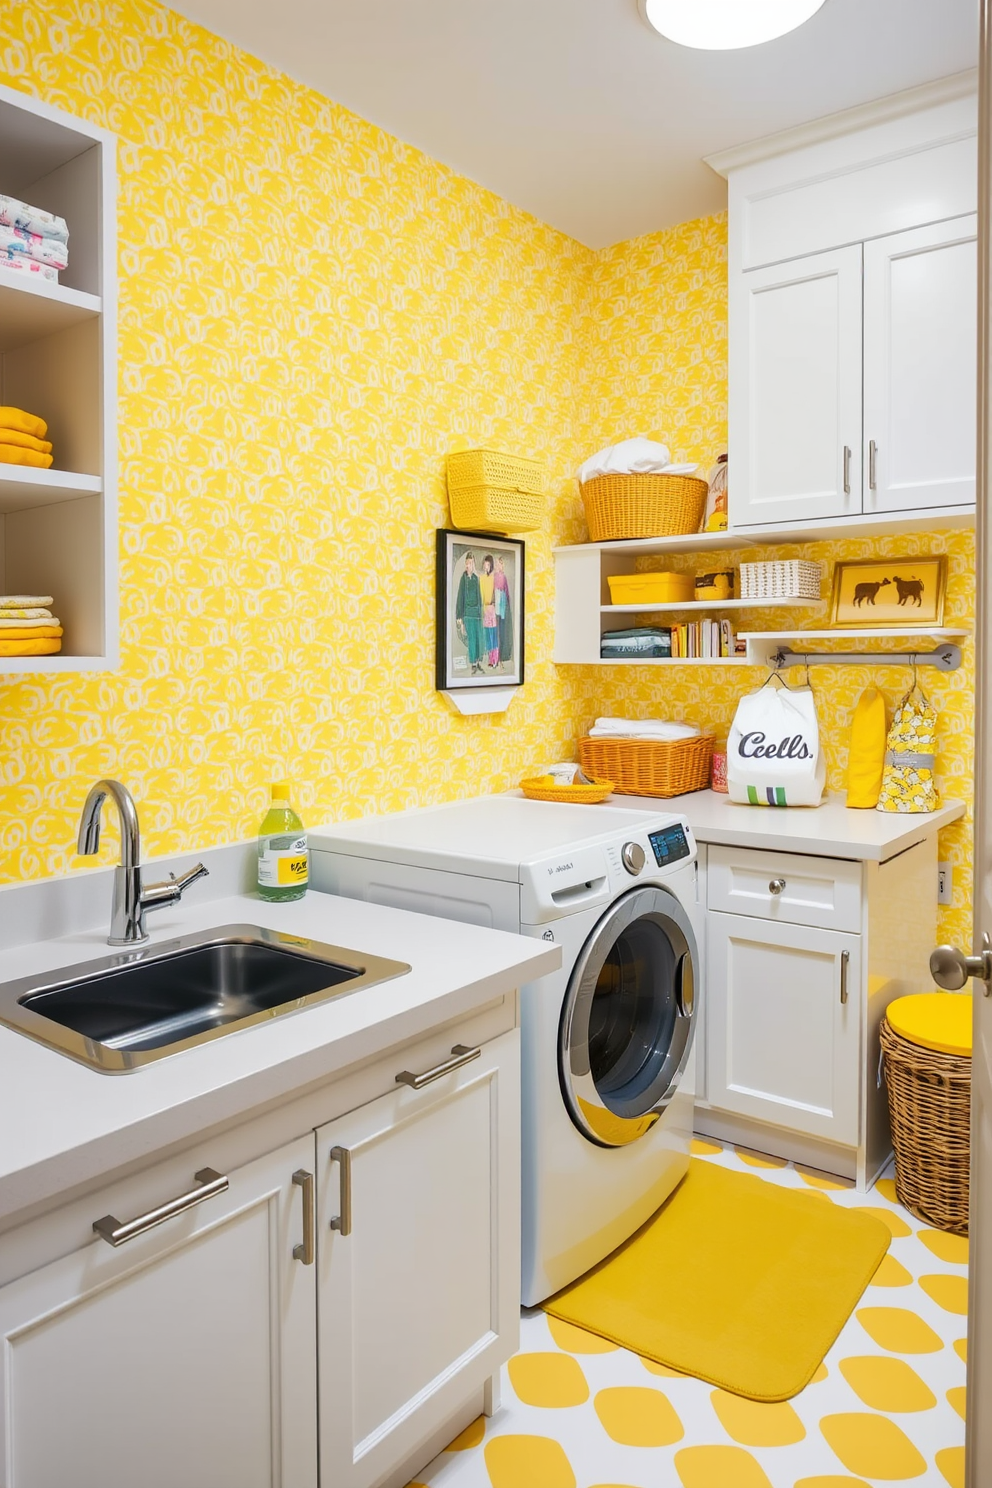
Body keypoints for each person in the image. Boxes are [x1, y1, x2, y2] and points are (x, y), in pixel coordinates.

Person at [454, 551, 484, 674]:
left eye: (470, 563)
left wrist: (480, 614)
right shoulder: (463, 578)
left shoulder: (476, 579)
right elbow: (460, 597)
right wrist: (460, 618)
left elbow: (479, 598)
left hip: (476, 614)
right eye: (466, 563)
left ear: (473, 565)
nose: (468, 566)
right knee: (471, 639)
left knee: (478, 639)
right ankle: (473, 664)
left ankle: (478, 662)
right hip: (467, 614)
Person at [480, 555, 499, 668]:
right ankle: (490, 659)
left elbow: (495, 594)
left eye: (488, 564)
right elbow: (482, 594)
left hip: (492, 609)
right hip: (485, 609)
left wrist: (494, 605)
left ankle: (495, 658)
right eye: (485, 564)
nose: (485, 566)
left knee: (493, 634)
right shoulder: (482, 578)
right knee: (487, 635)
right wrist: (483, 608)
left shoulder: (493, 578)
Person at [494, 553, 513, 668]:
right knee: (496, 632)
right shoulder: (494, 577)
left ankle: (502, 656)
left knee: (503, 632)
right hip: (496, 606)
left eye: (499, 563)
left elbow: (506, 593)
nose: (498, 565)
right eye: (496, 563)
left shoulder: (503, 577)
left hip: (503, 607)